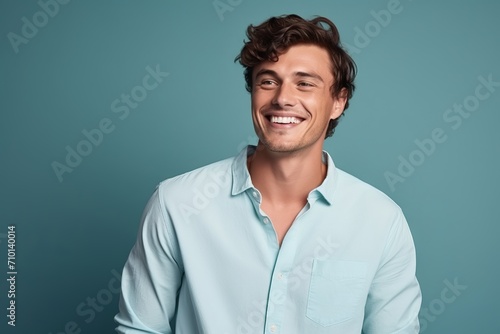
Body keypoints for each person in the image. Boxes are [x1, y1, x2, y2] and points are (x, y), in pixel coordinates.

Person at [114, 14, 421, 334]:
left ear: (338, 102)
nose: (283, 98)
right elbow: (140, 329)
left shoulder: (381, 221)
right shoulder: (177, 203)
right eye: (268, 81)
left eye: (304, 83)